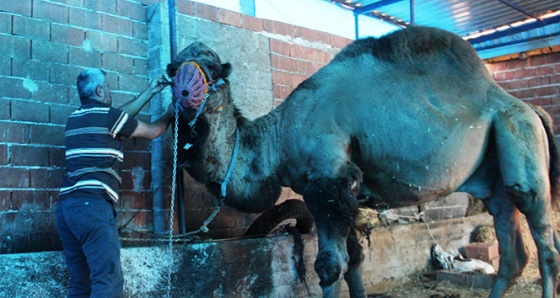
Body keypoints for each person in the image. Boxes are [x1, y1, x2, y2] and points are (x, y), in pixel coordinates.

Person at [55, 68, 174, 297]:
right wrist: (171, 112)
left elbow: (117, 117)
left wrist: (150, 91)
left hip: (66, 210)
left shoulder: (74, 120)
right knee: (107, 282)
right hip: (93, 208)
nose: (110, 92)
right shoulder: (110, 118)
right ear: (100, 90)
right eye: (108, 88)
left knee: (80, 282)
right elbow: (152, 131)